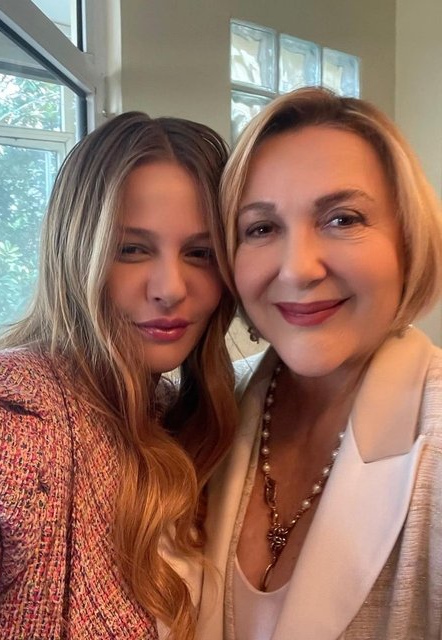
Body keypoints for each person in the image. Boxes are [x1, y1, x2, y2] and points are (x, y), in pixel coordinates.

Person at [0, 112, 239, 639]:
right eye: (132, 250)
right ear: (76, 251)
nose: (170, 288)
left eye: (200, 253)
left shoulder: (187, 419)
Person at [197, 87, 442, 639]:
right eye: (261, 228)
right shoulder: (204, 412)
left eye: (342, 219)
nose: (298, 269)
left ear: (407, 239)